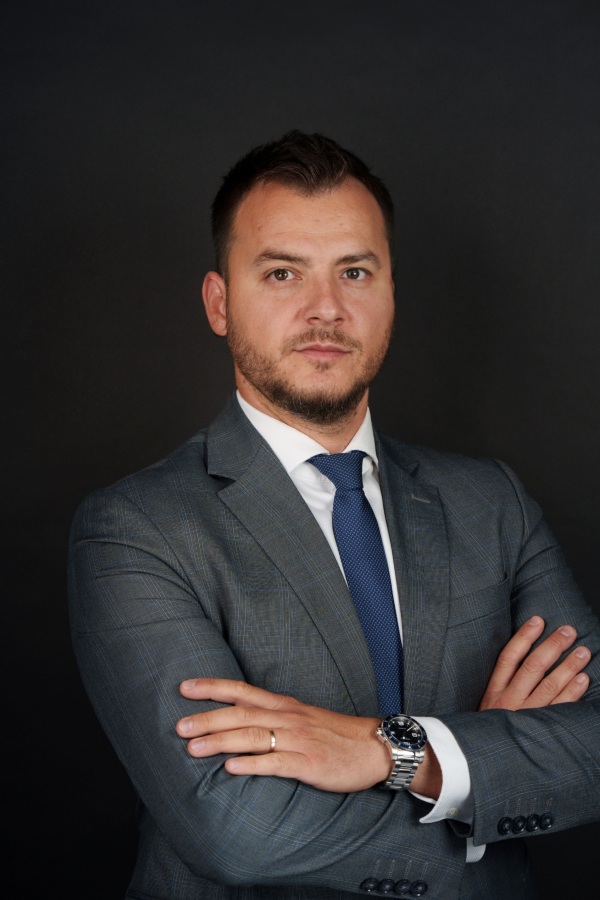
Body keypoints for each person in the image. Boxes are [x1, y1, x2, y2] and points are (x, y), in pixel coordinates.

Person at [68, 130, 600, 900]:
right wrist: (479, 769)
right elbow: (237, 830)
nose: (326, 309)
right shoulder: (136, 529)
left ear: (391, 292)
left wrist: (386, 749)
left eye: (355, 271)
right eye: (282, 273)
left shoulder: (493, 503)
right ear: (220, 303)